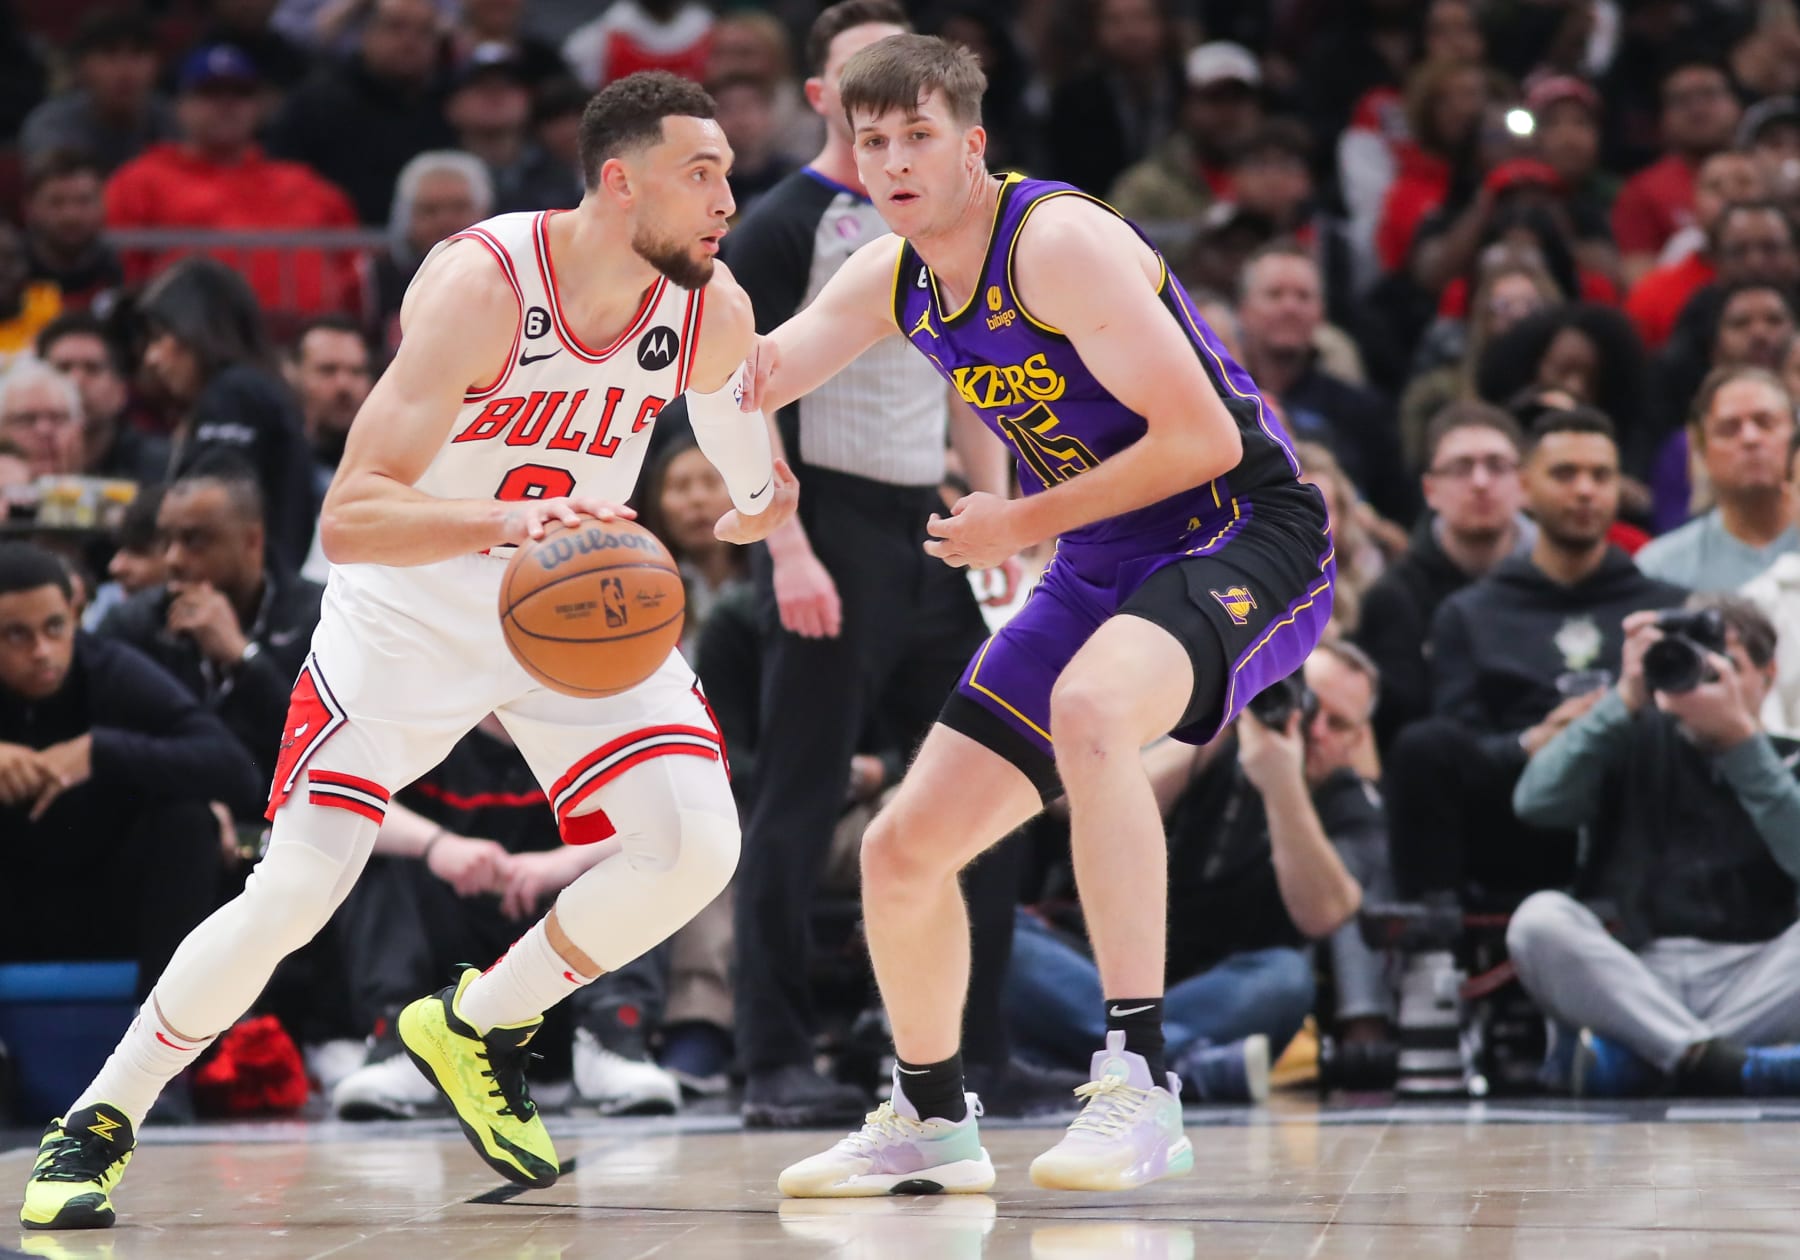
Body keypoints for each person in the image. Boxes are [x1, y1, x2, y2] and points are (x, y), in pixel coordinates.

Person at [19, 71, 798, 1232]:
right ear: (620, 181)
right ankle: (100, 1118)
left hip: (570, 605)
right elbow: (350, 517)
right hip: (409, 609)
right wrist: (506, 521)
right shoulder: (487, 287)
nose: (729, 198)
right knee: (295, 891)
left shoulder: (709, 303)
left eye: (729, 173)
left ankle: (480, 1021)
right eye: (702, 174)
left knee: (696, 846)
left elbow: (736, 419)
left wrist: (759, 497)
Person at [744, 36, 1331, 1196]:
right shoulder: (890, 273)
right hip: (1099, 557)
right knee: (903, 850)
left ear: (971, 145)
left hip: (1240, 531)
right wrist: (666, 325)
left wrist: (1015, 522)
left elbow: (1203, 441)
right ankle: (929, 1118)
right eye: (874, 141)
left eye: (919, 136)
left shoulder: (1055, 242)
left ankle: (1141, 1083)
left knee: (1093, 709)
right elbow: (755, 374)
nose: (895, 161)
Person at [721, 0, 1050, 1131]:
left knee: (985, 787)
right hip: (824, 522)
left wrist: (1000, 518)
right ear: (825, 100)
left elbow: (972, 380)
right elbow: (737, 387)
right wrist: (786, 548)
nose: (890, 113)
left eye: (910, 94)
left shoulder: (949, 227)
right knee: (800, 797)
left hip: (931, 524)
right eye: (864, 86)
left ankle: (976, 1053)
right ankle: (771, 1059)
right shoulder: (785, 223)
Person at [1004, 641, 1385, 1097]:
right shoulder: (1205, 747)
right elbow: (1082, 803)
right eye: (1307, 706)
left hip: (1222, 986)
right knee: (997, 931)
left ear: (1358, 740)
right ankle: (1183, 1064)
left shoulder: (1350, 801)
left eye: (1338, 724)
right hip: (1101, 965)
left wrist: (1282, 784)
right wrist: (1224, 723)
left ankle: (1098, 1058)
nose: (1315, 730)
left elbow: (1325, 914)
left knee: (1287, 979)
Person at [1508, 596, 1800, 1097]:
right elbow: (1536, 803)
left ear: (1767, 676)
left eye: (1724, 666)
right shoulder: (1623, 736)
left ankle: (1654, 1059)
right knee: (1538, 921)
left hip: (1755, 975)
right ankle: (1724, 1063)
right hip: (1633, 974)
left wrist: (1741, 745)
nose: (1703, 678)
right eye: (1692, 661)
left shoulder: (1786, 758)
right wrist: (1625, 695)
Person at [0, 542, 261, 1004]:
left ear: (76, 614)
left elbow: (237, 771)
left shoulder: (109, 670)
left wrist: (101, 752)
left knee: (189, 819)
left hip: (110, 902)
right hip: (15, 906)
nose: (42, 651)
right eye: (17, 635)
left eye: (55, 627)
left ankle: (167, 1024)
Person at [1633, 366, 1800, 591]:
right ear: (1701, 449)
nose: (1750, 438)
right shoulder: (1660, 569)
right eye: (1729, 428)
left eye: (1765, 422)